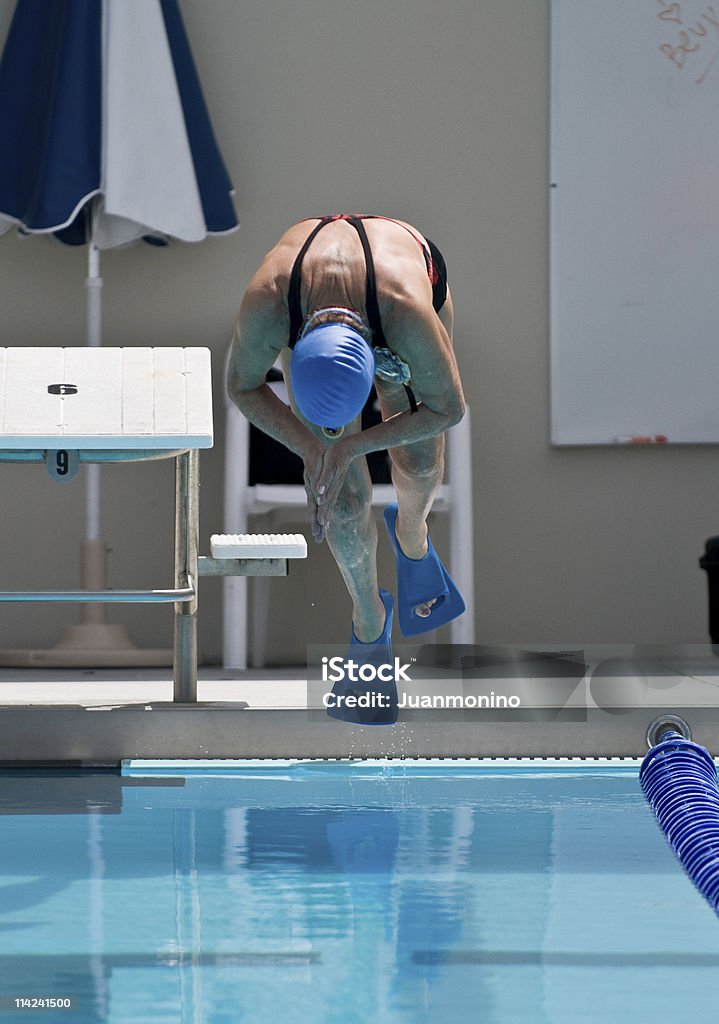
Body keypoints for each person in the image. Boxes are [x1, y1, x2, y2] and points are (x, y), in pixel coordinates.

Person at [227, 214, 466, 657]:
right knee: (338, 496)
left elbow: (449, 408)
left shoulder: (405, 312)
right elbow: (241, 386)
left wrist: (352, 446)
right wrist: (311, 447)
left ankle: (413, 537)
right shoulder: (271, 303)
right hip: (310, 303)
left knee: (419, 463)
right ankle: (369, 620)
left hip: (394, 288)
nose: (339, 436)